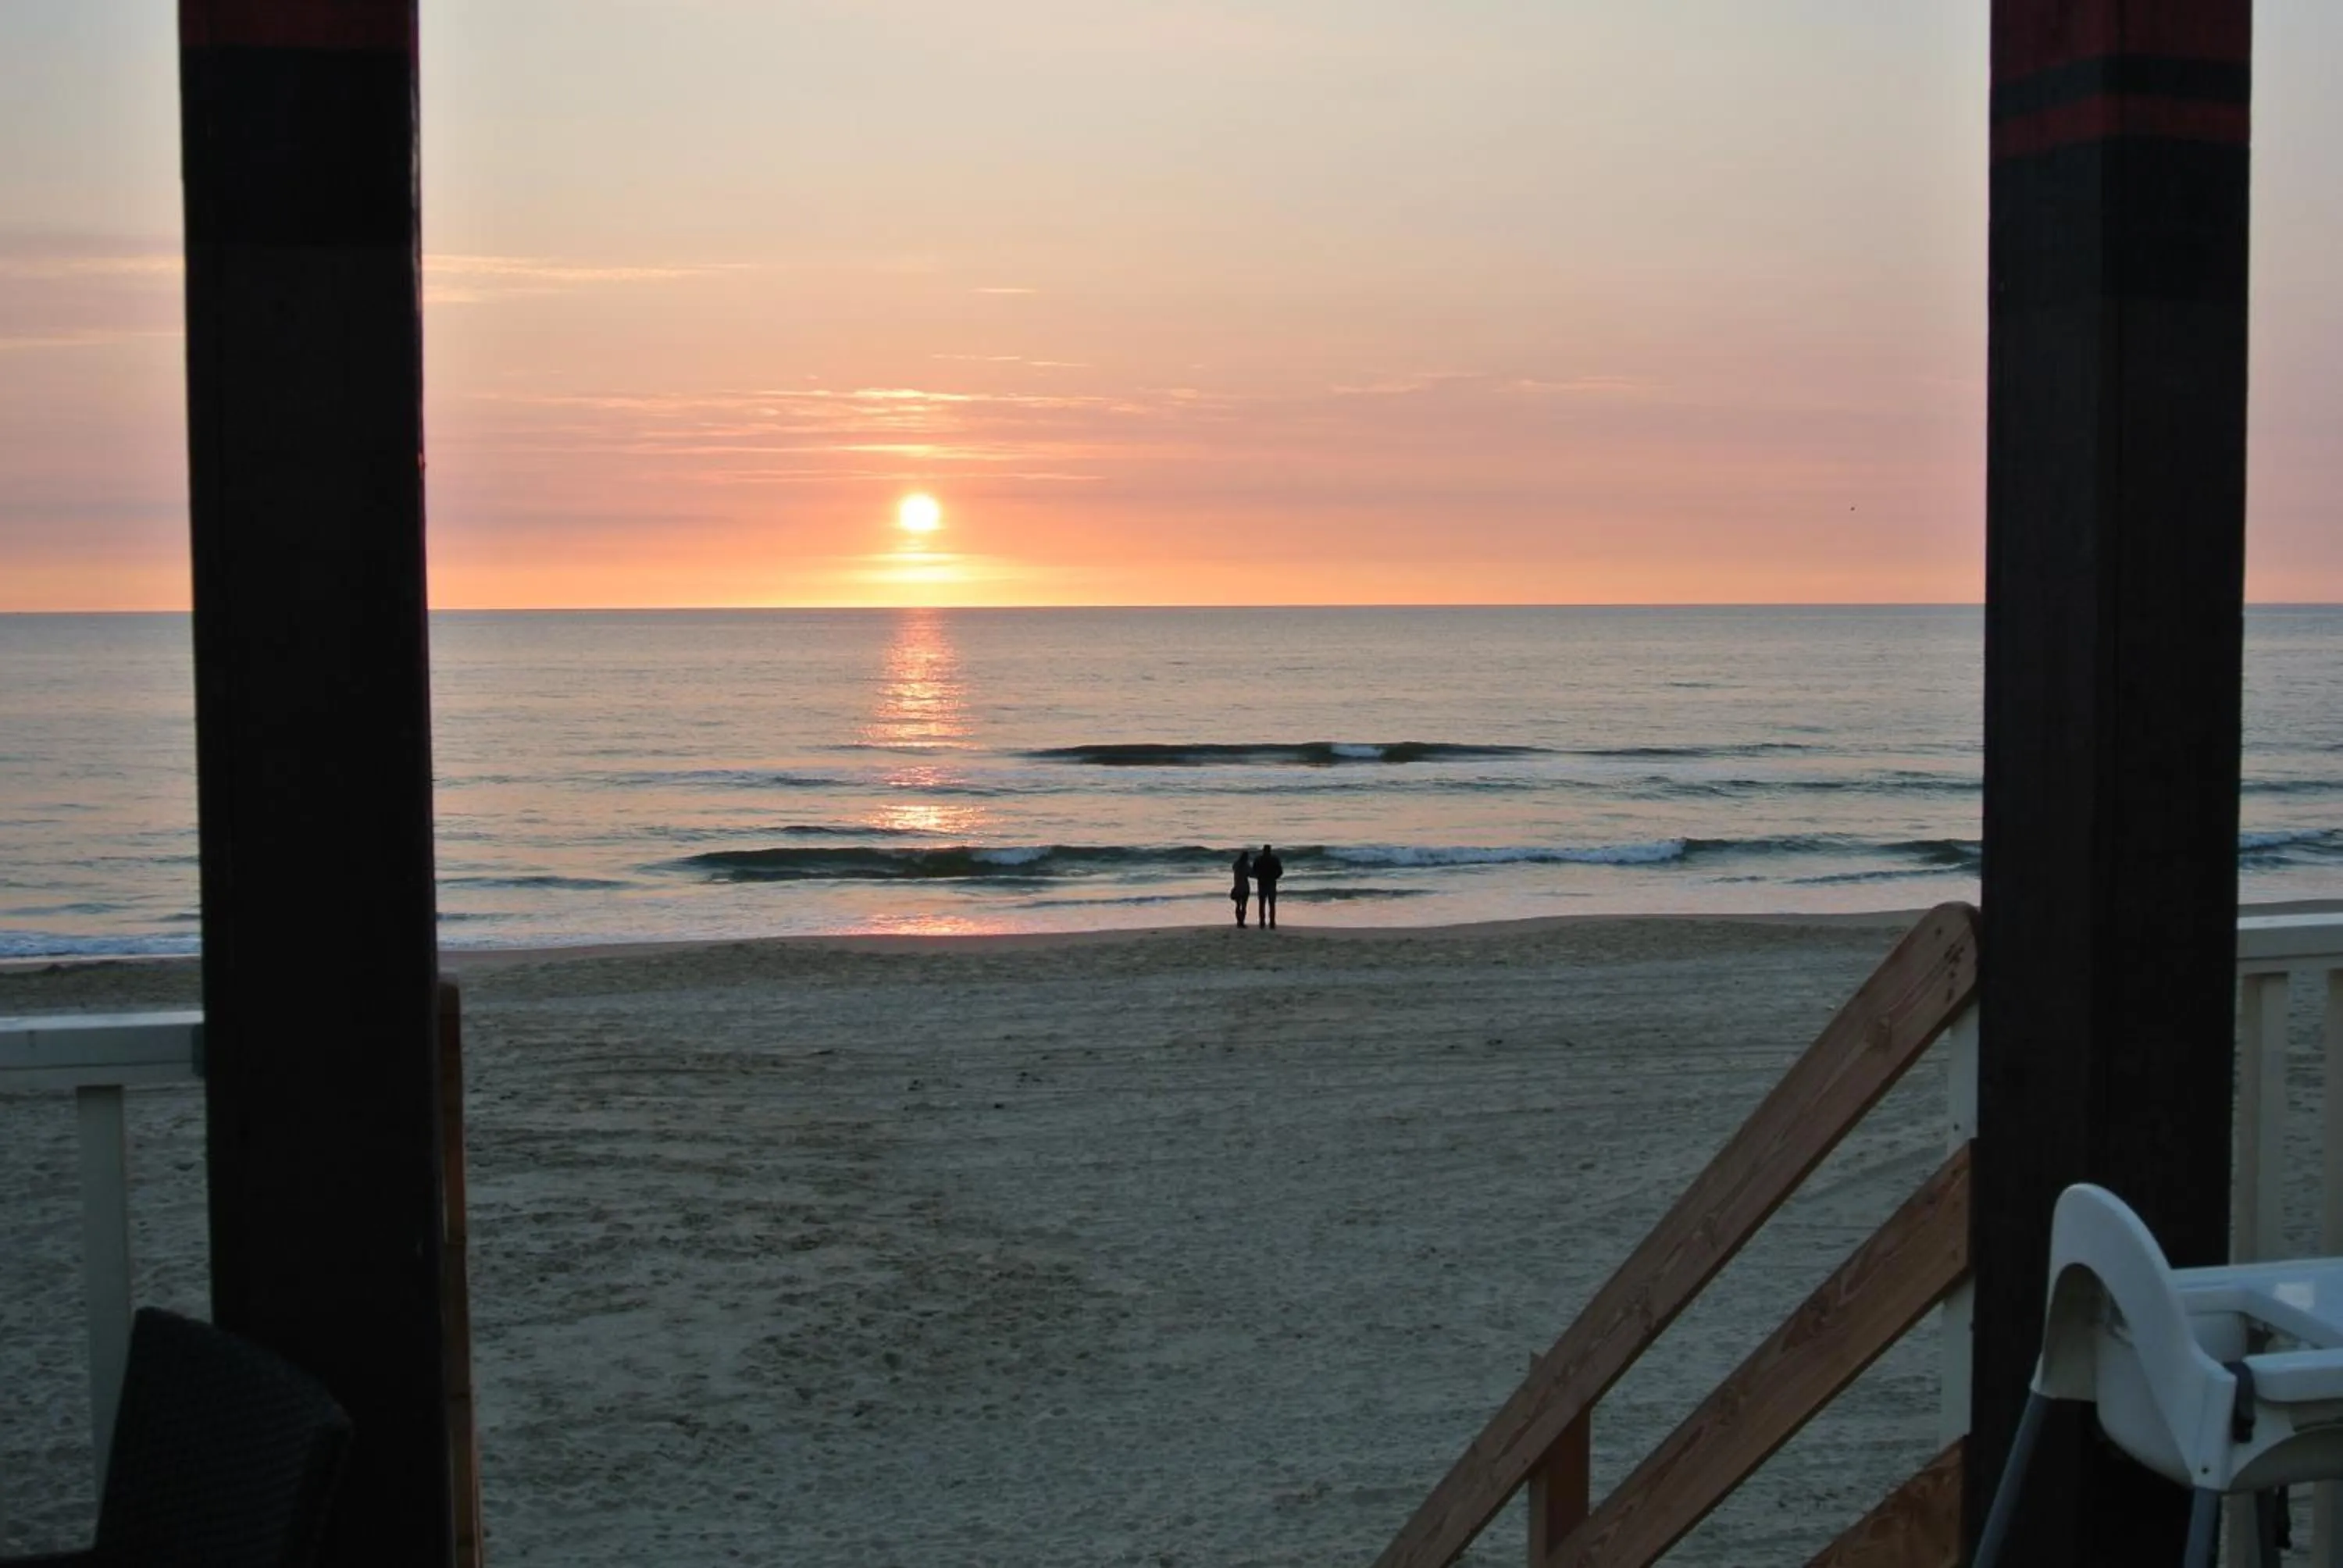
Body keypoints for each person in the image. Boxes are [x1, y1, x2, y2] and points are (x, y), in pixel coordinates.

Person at [1254, 843, 1283, 928]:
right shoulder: (1274, 859)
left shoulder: (1259, 859)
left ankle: (1262, 922)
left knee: (1262, 903)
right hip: (1271, 882)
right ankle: (1272, 923)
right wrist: (1275, 877)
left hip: (1262, 883)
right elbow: (1280, 871)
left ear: (1263, 850)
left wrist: (1259, 877)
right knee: (1272, 904)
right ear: (1270, 850)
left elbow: (1254, 871)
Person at [1230, 849, 1253, 927]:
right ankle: (1242, 921)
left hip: (1237, 887)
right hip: (1245, 887)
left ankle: (1238, 921)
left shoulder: (1236, 865)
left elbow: (1233, 869)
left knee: (1238, 905)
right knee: (1244, 906)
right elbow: (1251, 874)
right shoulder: (1246, 866)